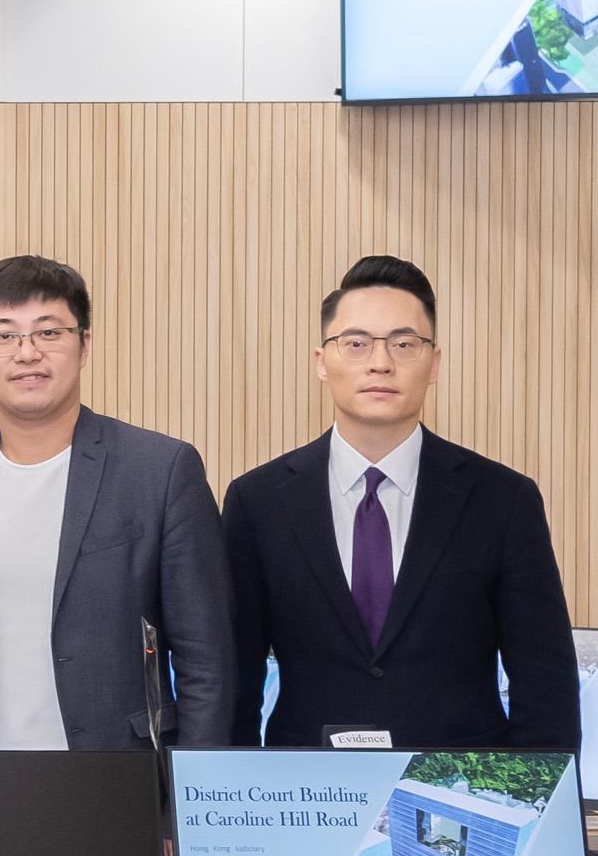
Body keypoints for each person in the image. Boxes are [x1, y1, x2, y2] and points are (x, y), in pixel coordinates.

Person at [0, 255, 233, 749]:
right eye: (3, 335)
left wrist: (192, 806)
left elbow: (206, 662)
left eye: (49, 332)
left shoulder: (159, 470)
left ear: (84, 344)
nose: (27, 353)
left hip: (117, 778)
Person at [224, 255, 577, 749]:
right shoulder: (257, 501)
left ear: (434, 363)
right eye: (357, 343)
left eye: (404, 344)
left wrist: (539, 803)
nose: (380, 362)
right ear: (322, 362)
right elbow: (235, 678)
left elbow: (546, 681)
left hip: (456, 786)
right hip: (308, 795)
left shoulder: (503, 499)